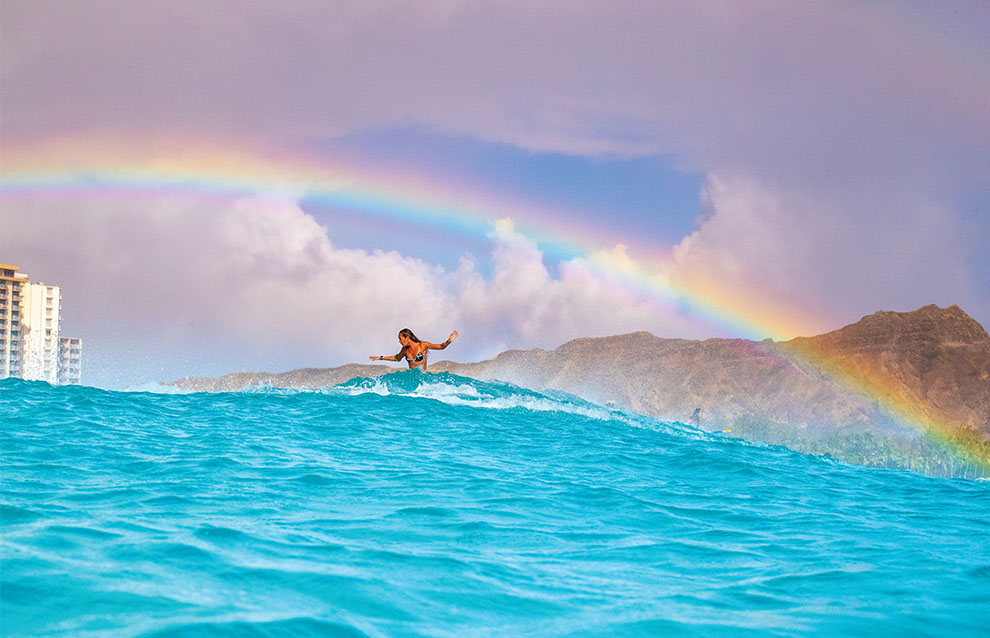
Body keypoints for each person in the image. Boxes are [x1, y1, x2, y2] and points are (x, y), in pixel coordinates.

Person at [370, 328, 458, 371]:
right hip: (412, 377)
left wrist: (449, 341)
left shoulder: (422, 345)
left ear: (407, 337)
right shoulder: (405, 350)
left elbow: (441, 347)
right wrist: (380, 358)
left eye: (400, 338)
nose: (399, 341)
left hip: (423, 377)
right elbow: (397, 358)